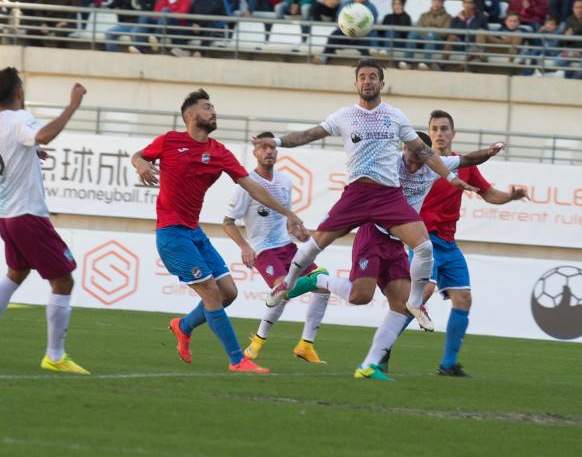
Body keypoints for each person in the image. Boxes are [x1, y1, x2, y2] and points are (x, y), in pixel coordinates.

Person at [252, 59, 479, 332]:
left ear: (381, 83)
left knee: (424, 245)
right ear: (356, 83)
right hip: (357, 193)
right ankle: (287, 285)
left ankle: (416, 303)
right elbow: (308, 135)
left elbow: (425, 152)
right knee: (317, 243)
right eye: (362, 76)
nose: (368, 81)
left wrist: (452, 178)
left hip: (388, 195)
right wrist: (276, 142)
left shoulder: (395, 116)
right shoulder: (344, 116)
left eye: (373, 76)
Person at [293, 131, 508, 379]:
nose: (413, 163)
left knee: (401, 305)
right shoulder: (388, 162)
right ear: (403, 149)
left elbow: (469, 159)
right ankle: (319, 280)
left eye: (419, 158)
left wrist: (489, 152)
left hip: (398, 241)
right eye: (409, 153)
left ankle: (369, 366)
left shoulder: (433, 165)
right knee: (360, 296)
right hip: (373, 233)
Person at [131, 89, 308, 374]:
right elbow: (139, 156)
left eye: (213, 107)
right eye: (206, 107)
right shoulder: (169, 141)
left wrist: (288, 212)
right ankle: (237, 359)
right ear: (190, 116)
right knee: (212, 293)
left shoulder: (219, 152)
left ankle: (183, 326)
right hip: (172, 234)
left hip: (194, 232)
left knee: (228, 292)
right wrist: (140, 163)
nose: (213, 112)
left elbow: (252, 186)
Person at [389, 110, 528, 377]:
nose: (439, 134)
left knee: (463, 298)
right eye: (435, 129)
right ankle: (382, 351)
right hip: (422, 239)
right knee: (422, 294)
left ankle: (448, 364)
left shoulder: (463, 165)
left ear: (453, 134)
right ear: (429, 134)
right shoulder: (420, 162)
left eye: (444, 129)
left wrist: (510, 197)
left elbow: (488, 194)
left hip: (448, 243)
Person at [0, 69, 89, 374]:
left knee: (15, 274)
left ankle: (55, 355)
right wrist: (73, 105)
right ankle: (55, 355)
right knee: (63, 280)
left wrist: (32, 153)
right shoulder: (18, 118)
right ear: (19, 93)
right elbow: (44, 134)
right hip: (27, 215)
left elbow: (15, 151)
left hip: (7, 216)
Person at [224, 132, 330, 365]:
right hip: (264, 250)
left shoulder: (285, 181)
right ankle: (258, 342)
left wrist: (298, 233)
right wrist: (244, 246)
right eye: (263, 147)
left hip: (287, 247)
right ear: (255, 153)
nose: (269, 151)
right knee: (285, 289)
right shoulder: (246, 184)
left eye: (271, 147)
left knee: (322, 287)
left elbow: (285, 218)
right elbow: (228, 222)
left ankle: (305, 345)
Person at [314, 0, 380, 64]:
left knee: (367, 38)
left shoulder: (371, 8)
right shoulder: (345, 4)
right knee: (334, 35)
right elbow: (339, 21)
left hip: (362, 35)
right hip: (346, 33)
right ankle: (324, 57)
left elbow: (372, 25)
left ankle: (365, 59)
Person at [401, 0, 452, 70]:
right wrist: (432, 30)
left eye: (439, 0)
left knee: (431, 34)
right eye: (434, 0)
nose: (436, 2)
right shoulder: (424, 15)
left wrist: (429, 30)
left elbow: (444, 33)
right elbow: (418, 29)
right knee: (413, 33)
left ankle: (426, 63)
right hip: (423, 40)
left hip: (438, 43)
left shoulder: (448, 17)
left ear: (443, 2)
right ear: (431, 1)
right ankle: (408, 62)